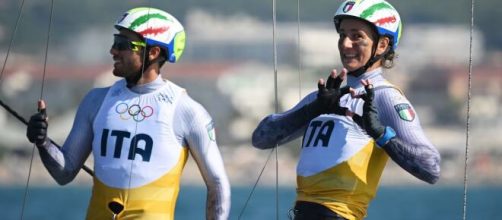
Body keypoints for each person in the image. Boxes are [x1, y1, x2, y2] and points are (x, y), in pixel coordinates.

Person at [26, 7, 230, 220]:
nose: (113, 51)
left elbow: (217, 184)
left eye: (122, 45)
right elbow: (64, 173)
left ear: (153, 53)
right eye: (115, 41)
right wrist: (42, 142)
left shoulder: (187, 111)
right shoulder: (95, 100)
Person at [252, 0, 441, 219]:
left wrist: (380, 133)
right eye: (342, 35)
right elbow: (261, 139)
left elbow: (432, 168)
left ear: (382, 45)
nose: (345, 44)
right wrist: (312, 109)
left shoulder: (386, 97)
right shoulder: (325, 96)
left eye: (356, 36)